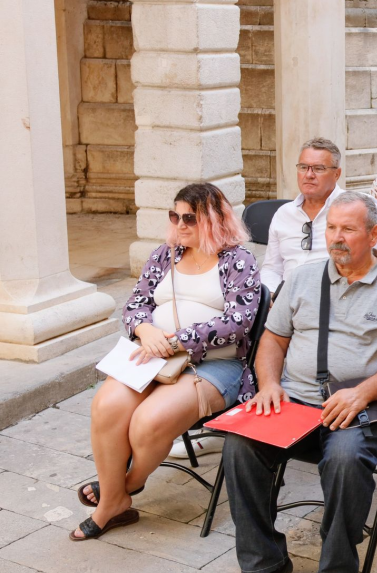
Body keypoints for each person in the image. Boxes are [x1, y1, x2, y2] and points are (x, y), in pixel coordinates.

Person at [223, 191, 377, 573]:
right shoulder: (302, 279)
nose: (336, 238)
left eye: (348, 229)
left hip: (361, 406)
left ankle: (337, 572)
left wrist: (362, 392)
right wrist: (269, 384)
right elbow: (273, 340)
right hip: (294, 400)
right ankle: (264, 563)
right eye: (331, 228)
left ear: (374, 234)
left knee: (345, 457)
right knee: (240, 447)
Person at [73, 183, 261, 542]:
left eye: (190, 218)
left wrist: (178, 341)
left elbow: (240, 321)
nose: (180, 224)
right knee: (106, 405)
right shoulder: (165, 254)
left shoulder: (239, 260)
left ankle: (119, 492)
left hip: (214, 365)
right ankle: (114, 501)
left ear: (215, 220)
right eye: (175, 216)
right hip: (152, 356)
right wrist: (144, 329)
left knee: (148, 421)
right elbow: (135, 303)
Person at [259, 137, 377, 295]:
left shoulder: (359, 206)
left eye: (318, 168)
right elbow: (272, 268)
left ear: (337, 174)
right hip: (289, 300)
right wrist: (270, 294)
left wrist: (361, 283)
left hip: (340, 298)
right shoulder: (284, 214)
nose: (309, 175)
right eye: (303, 167)